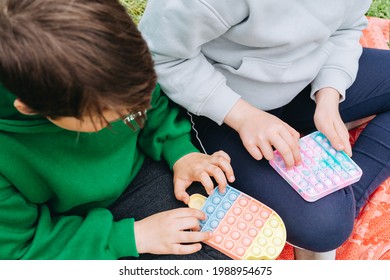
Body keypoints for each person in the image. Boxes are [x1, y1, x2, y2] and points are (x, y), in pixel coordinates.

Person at [139, 0, 390, 259]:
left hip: (305, 80)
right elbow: (158, 55)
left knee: (332, 216)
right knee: (327, 227)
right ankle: (338, 208)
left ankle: (343, 195)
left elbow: (346, 28)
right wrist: (243, 116)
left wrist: (329, 95)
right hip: (219, 105)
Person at [0, 0, 237, 260]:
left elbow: (153, 105)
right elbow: (19, 250)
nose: (130, 115)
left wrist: (180, 151)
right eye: (103, 120)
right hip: (64, 233)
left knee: (225, 238)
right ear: (30, 108)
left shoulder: (115, 62)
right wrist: (131, 237)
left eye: (135, 103)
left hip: (139, 177)